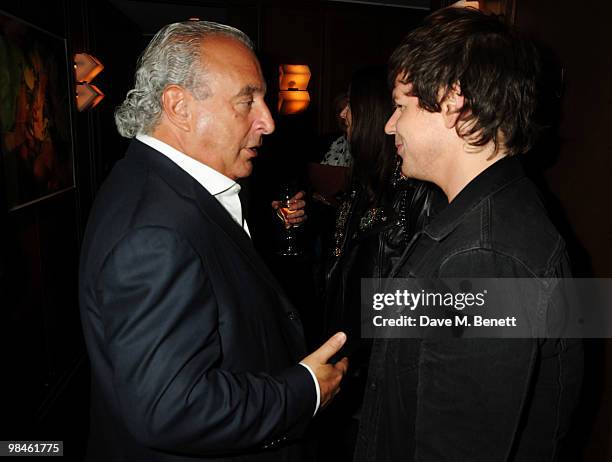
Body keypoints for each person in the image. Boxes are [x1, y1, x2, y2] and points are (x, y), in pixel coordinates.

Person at [78, 21, 348, 462]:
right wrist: (305, 390)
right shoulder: (155, 231)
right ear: (178, 106)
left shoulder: (159, 184)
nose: (268, 121)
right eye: (247, 100)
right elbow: (171, 407)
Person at [354, 7, 583, 462]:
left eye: (400, 107)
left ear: (453, 99)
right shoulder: (478, 217)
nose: (389, 125)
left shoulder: (484, 253)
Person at [320, 66, 437, 461]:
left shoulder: (412, 191)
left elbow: (426, 303)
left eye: (349, 108)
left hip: (376, 373)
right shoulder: (360, 183)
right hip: (350, 362)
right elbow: (345, 266)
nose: (343, 117)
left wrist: (374, 370)